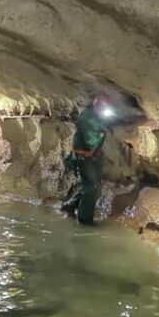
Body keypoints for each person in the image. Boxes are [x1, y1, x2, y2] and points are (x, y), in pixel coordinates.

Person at [61, 94, 117, 225]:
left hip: (93, 156)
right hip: (86, 157)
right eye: (104, 106)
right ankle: (84, 221)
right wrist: (102, 133)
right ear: (97, 105)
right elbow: (91, 141)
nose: (106, 109)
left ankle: (69, 205)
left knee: (90, 186)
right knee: (92, 187)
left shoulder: (96, 115)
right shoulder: (89, 118)